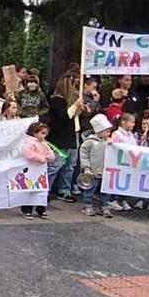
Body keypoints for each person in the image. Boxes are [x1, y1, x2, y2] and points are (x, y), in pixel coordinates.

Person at [48, 73, 88, 202]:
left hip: (73, 132)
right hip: (61, 135)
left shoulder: (71, 100)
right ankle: (45, 188)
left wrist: (81, 109)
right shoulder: (56, 100)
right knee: (57, 163)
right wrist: (75, 106)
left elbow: (74, 116)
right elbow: (64, 116)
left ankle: (64, 189)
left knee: (71, 164)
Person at [79, 114, 113, 217]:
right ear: (99, 131)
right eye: (106, 131)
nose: (109, 133)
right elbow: (84, 155)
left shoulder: (108, 142)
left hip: (105, 171)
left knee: (105, 191)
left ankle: (105, 206)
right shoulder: (89, 143)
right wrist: (86, 167)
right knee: (89, 190)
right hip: (92, 171)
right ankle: (87, 206)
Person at [20, 122, 55, 219]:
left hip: (41, 171)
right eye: (42, 133)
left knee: (42, 190)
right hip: (32, 170)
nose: (44, 136)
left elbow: (50, 153)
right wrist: (41, 158)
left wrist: (50, 157)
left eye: (45, 134)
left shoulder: (44, 143)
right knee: (30, 189)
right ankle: (27, 210)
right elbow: (28, 154)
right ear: (35, 133)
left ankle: (41, 209)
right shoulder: (29, 143)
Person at [107, 112, 138, 212]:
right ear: (123, 122)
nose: (133, 125)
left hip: (129, 162)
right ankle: (112, 200)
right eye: (131, 122)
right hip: (118, 162)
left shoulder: (132, 135)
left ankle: (123, 199)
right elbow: (113, 146)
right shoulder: (117, 134)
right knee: (117, 180)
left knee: (125, 181)